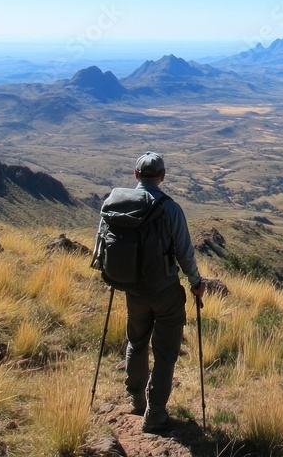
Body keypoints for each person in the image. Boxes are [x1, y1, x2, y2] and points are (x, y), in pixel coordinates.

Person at [121, 151, 205, 432]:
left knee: (137, 341)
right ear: (162, 176)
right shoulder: (170, 209)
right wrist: (196, 282)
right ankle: (155, 414)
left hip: (133, 289)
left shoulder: (119, 203)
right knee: (166, 352)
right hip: (165, 289)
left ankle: (136, 400)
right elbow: (184, 252)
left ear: (135, 175)